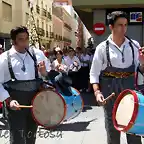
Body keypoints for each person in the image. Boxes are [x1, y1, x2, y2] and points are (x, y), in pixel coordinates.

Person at [90, 11, 144, 144]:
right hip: (110, 90)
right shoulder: (102, 48)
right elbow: (94, 73)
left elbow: (141, 71)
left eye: (125, 25)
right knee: (112, 130)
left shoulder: (134, 45)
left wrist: (143, 62)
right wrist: (97, 92)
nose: (123, 28)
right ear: (111, 27)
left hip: (130, 89)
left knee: (133, 127)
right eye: (120, 25)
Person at [0, 26, 51, 144]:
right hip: (15, 103)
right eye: (21, 39)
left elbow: (47, 78)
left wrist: (44, 73)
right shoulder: (4, 59)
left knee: (31, 136)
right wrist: (8, 100)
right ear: (13, 41)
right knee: (17, 138)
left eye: (26, 39)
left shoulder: (38, 54)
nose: (25, 42)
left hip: (35, 102)